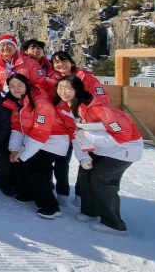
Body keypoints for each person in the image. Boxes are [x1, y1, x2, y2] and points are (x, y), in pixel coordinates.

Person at [54, 75, 143, 236]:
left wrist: (87, 135)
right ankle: (90, 211)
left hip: (125, 149)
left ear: (78, 90)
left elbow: (120, 137)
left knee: (102, 178)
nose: (63, 92)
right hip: (100, 149)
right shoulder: (72, 108)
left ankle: (114, 224)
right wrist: (84, 157)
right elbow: (77, 137)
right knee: (86, 172)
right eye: (60, 88)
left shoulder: (100, 109)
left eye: (68, 88)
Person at [3, 73, 70, 219]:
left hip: (55, 141)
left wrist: (23, 155)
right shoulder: (17, 103)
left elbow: (41, 133)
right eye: (12, 86)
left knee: (31, 166)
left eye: (20, 85)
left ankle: (50, 206)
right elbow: (17, 128)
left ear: (27, 84)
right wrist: (14, 150)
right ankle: (28, 193)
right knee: (20, 163)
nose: (16, 89)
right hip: (36, 140)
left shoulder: (41, 103)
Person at [47, 50, 110, 205]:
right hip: (64, 126)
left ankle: (82, 194)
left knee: (87, 160)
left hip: (85, 126)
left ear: (72, 62)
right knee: (62, 160)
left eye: (64, 61)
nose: (60, 64)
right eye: (56, 62)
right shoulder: (52, 81)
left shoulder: (86, 78)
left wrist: (81, 105)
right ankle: (62, 192)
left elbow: (102, 98)